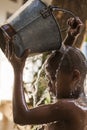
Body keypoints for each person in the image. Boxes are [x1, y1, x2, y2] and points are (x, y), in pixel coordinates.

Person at [8, 17, 87, 130]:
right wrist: (70, 37)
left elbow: (21, 117)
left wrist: (18, 71)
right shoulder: (81, 105)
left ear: (75, 77)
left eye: (53, 78)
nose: (49, 84)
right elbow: (60, 62)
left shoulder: (67, 107)